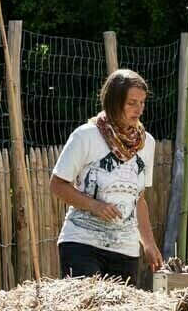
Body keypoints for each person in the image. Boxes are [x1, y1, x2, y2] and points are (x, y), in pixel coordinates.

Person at [51, 68, 164, 282]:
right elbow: (57, 185)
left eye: (142, 102)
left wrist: (149, 243)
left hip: (125, 249)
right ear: (113, 102)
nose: (139, 109)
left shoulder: (147, 143)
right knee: (87, 303)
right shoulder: (86, 135)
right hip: (82, 243)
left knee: (119, 305)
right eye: (131, 103)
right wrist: (94, 205)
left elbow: (139, 199)